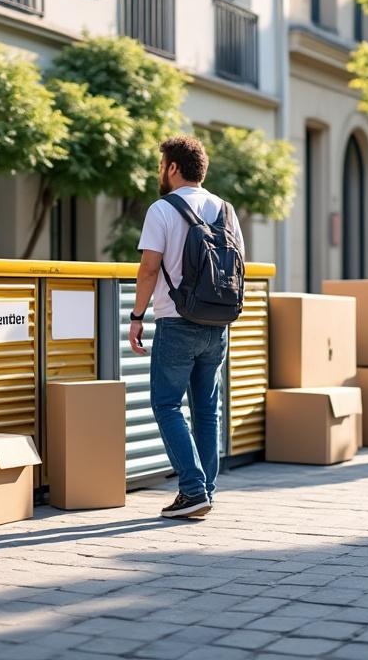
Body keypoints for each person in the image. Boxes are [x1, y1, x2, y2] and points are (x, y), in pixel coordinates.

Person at [130, 135, 246, 519]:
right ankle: (205, 491)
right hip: (218, 324)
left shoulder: (162, 209)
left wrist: (136, 317)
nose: (160, 171)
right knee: (206, 409)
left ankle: (193, 490)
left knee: (165, 404)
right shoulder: (226, 210)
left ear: (174, 168)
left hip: (177, 322)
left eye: (161, 164)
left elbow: (149, 268)